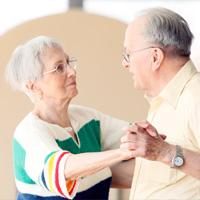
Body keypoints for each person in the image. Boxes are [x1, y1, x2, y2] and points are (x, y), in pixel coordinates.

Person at [5, 35, 136, 200]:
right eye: (59, 67)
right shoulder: (28, 133)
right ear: (33, 86)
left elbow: (135, 138)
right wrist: (122, 153)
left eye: (68, 63)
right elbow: (62, 170)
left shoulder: (86, 118)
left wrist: (155, 147)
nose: (72, 71)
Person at [120, 7, 200, 200]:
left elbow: (166, 155)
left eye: (128, 54)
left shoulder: (196, 97)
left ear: (155, 57)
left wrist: (165, 152)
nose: (125, 63)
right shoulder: (162, 102)